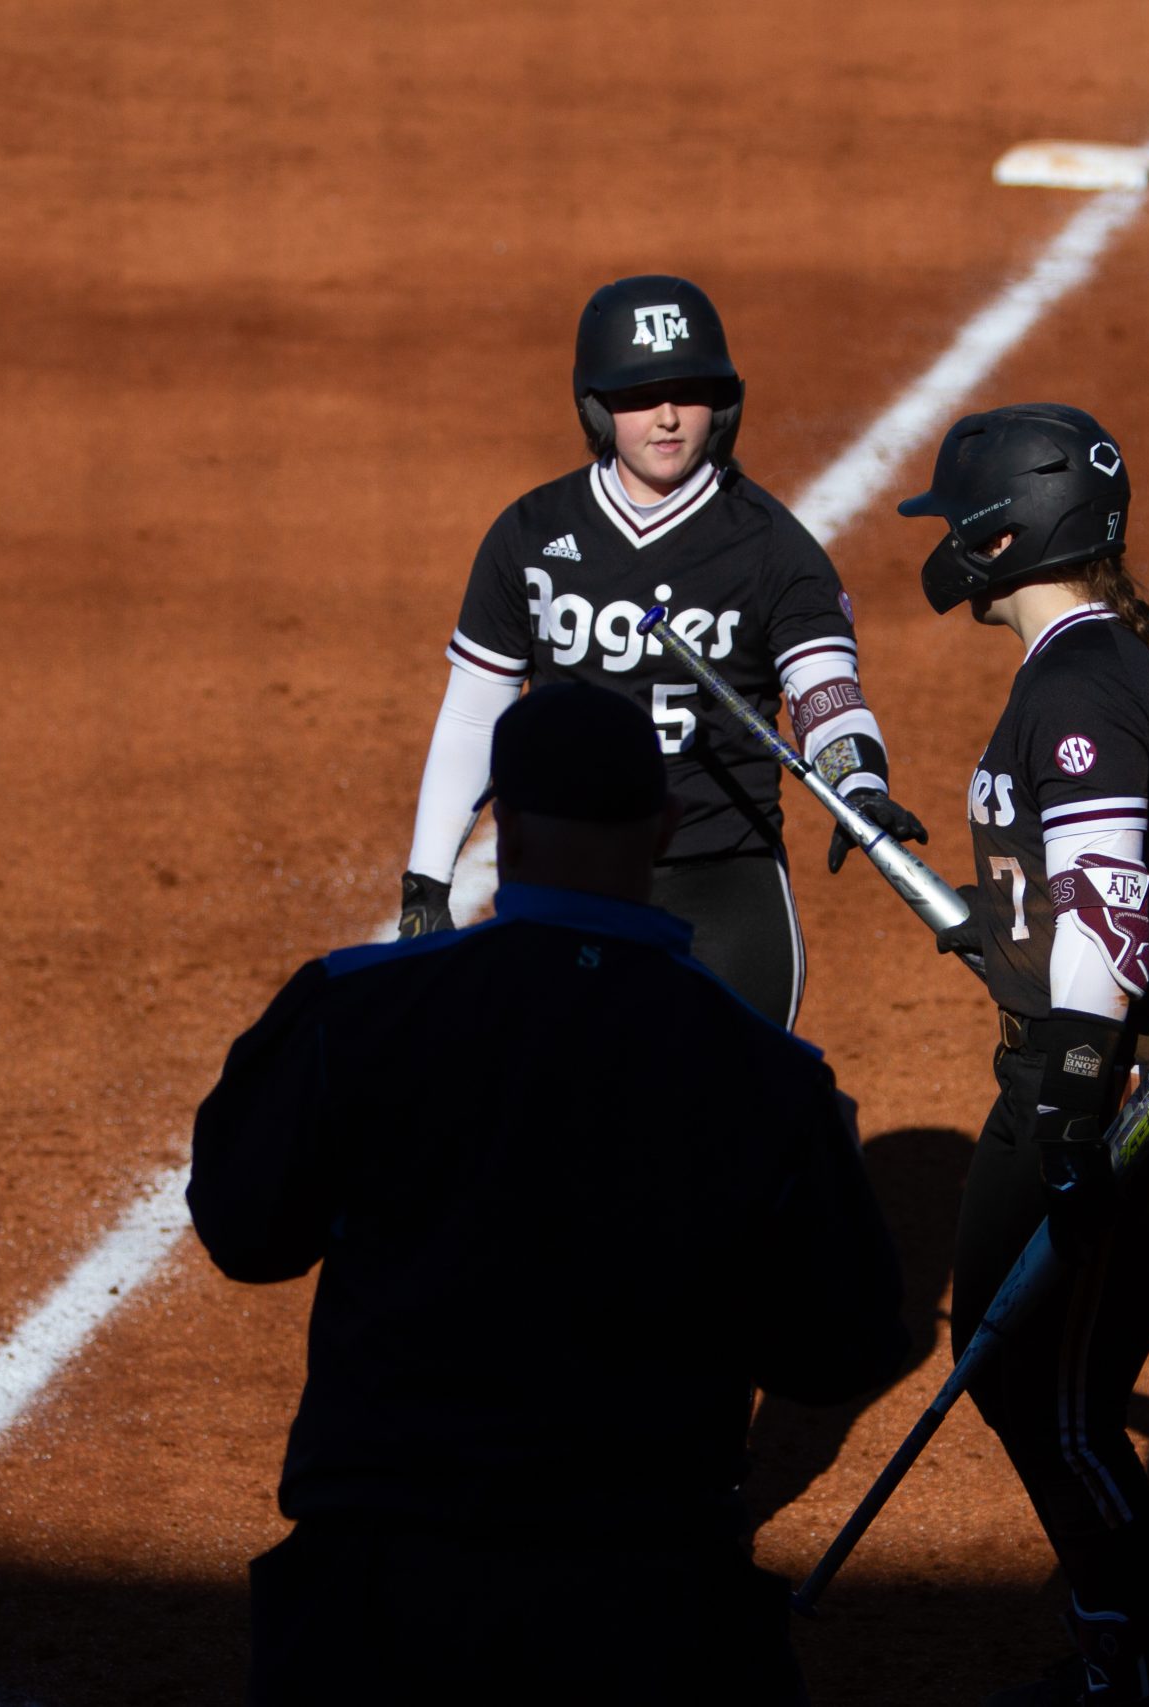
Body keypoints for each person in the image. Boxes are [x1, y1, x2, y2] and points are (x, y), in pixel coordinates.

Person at [190, 680, 908, 1705]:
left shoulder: (353, 1011)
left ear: (506, 831)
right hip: (645, 1605)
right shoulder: (769, 1078)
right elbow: (839, 1348)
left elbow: (243, 1231)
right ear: (661, 830)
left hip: (382, 1594)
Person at [894, 405, 1149, 1707]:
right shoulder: (1083, 667)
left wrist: (1068, 1109)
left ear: (1008, 528)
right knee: (1017, 1369)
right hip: (1081, 1074)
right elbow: (1070, 899)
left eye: (958, 520)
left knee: (1057, 1398)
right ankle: (1115, 1628)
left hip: (1117, 1094)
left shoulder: (1080, 689)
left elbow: (1103, 919)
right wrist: (989, 925)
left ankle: (1127, 1655)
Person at [392, 273, 927, 1028]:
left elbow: (826, 694)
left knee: (723, 1129)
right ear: (596, 406)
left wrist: (856, 782)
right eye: (640, 396)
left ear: (725, 400)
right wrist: (426, 879)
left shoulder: (775, 550)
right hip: (568, 880)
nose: (669, 416)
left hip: (723, 884)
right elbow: (476, 716)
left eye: (689, 390)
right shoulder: (530, 536)